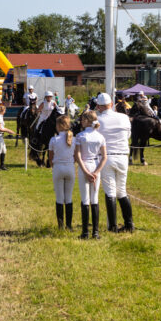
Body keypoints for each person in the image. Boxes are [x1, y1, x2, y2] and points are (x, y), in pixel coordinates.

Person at [94, 92, 134, 232]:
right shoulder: (124, 118)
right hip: (123, 155)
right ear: (111, 104)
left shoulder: (98, 120)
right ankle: (129, 224)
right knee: (121, 191)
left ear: (98, 106)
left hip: (107, 156)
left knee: (110, 191)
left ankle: (112, 226)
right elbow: (128, 135)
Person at [73, 110, 106, 240]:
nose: (81, 121)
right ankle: (95, 232)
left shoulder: (80, 136)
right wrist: (96, 172)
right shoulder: (100, 136)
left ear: (87, 121)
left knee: (85, 198)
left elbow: (78, 155)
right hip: (96, 165)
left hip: (84, 166)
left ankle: (85, 232)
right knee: (95, 198)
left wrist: (86, 172)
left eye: (82, 119)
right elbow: (104, 157)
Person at [48, 115, 76, 229]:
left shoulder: (54, 139)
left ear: (59, 126)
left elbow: (50, 157)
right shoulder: (74, 139)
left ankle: (61, 226)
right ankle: (69, 226)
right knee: (68, 198)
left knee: (59, 198)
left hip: (58, 167)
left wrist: (53, 166)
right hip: (70, 168)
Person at [0, 103, 12, 171]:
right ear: (2, 110)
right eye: (5, 110)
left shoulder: (0, 117)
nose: (5, 111)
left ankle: (2, 165)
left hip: (1, 136)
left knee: (4, 150)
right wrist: (8, 130)